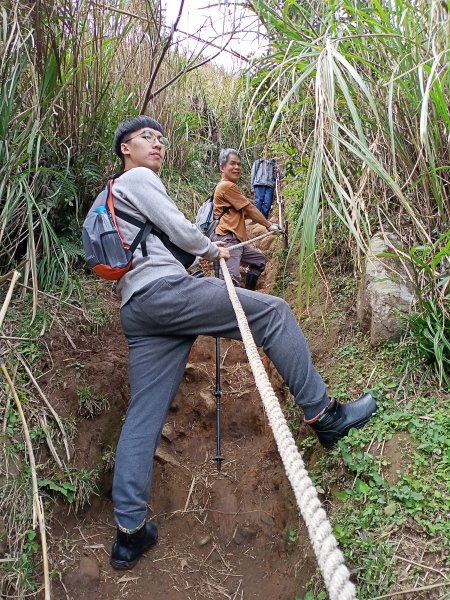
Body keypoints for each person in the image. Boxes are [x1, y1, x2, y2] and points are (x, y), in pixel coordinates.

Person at [106, 115, 378, 572]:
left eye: (160, 137)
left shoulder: (117, 195)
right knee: (274, 313)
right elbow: (182, 230)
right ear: (125, 150)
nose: (156, 144)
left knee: (143, 415)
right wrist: (214, 251)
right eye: (144, 138)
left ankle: (129, 534)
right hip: (166, 294)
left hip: (137, 308)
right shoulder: (136, 179)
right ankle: (324, 415)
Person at [212, 149, 279, 290]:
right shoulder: (226, 186)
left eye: (239, 164)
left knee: (259, 260)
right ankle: (231, 309)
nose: (237, 167)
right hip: (228, 239)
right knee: (231, 282)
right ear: (222, 167)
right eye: (232, 164)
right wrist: (268, 225)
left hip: (236, 240)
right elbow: (249, 209)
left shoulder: (230, 187)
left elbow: (246, 209)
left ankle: (249, 295)